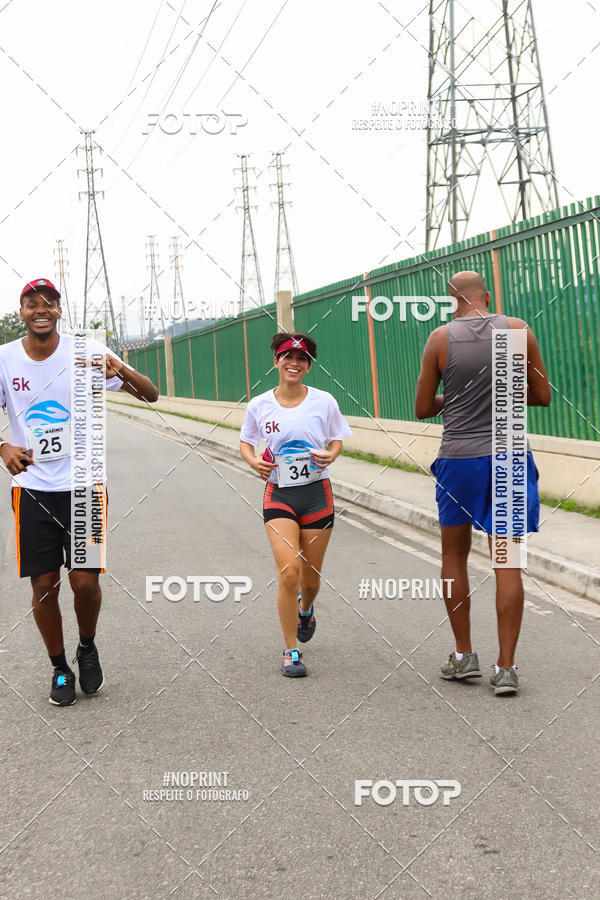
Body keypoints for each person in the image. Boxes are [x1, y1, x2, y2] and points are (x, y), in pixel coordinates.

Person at [0, 278, 159, 706]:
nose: (40, 310)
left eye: (48, 303)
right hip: (33, 489)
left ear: (58, 311)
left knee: (85, 584)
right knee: (44, 584)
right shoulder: (5, 359)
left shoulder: (86, 352)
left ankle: (86, 647)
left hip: (85, 486)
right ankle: (58, 667)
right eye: (31, 304)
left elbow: (151, 395)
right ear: (22, 313)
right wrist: (2, 446)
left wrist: (119, 369)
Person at [415, 271, 551, 695]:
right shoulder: (516, 330)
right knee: (507, 560)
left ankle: (463, 656)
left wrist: (453, 398)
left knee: (453, 557)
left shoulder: (440, 338)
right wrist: (501, 393)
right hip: (509, 455)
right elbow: (542, 396)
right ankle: (506, 668)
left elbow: (422, 408)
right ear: (487, 297)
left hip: (459, 460)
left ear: (452, 300)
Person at [239, 333, 352, 677]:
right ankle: (291, 650)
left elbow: (336, 440)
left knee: (311, 579)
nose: (294, 363)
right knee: (289, 571)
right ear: (276, 361)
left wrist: (332, 453)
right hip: (280, 495)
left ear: (308, 366)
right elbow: (246, 442)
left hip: (317, 495)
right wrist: (253, 461)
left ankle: (307, 608)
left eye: (301, 359)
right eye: (288, 357)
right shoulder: (259, 405)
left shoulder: (324, 402)